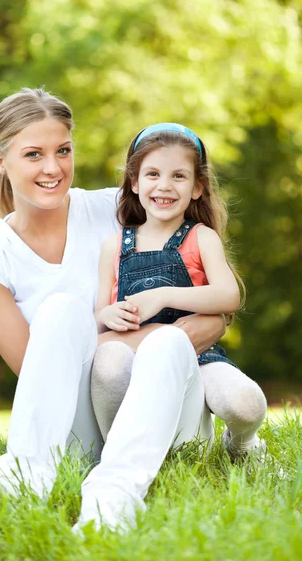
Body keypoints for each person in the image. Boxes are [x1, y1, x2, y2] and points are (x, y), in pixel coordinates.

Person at [0, 88, 253, 530]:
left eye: (63, 150)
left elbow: (212, 317)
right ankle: (21, 481)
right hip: (75, 423)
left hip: (162, 401)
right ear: (0, 160)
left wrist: (141, 332)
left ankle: (111, 505)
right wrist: (112, 331)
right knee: (62, 311)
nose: (53, 168)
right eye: (33, 154)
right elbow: (36, 369)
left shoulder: (116, 209)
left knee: (164, 344)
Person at [89, 124, 267, 470]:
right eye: (153, 173)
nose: (165, 185)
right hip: (133, 359)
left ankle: (243, 444)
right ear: (135, 183)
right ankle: (119, 455)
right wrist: (107, 315)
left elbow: (229, 296)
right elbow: (99, 314)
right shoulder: (115, 246)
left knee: (244, 403)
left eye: (179, 176)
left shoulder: (200, 237)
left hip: (197, 356)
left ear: (198, 187)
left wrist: (163, 295)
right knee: (107, 362)